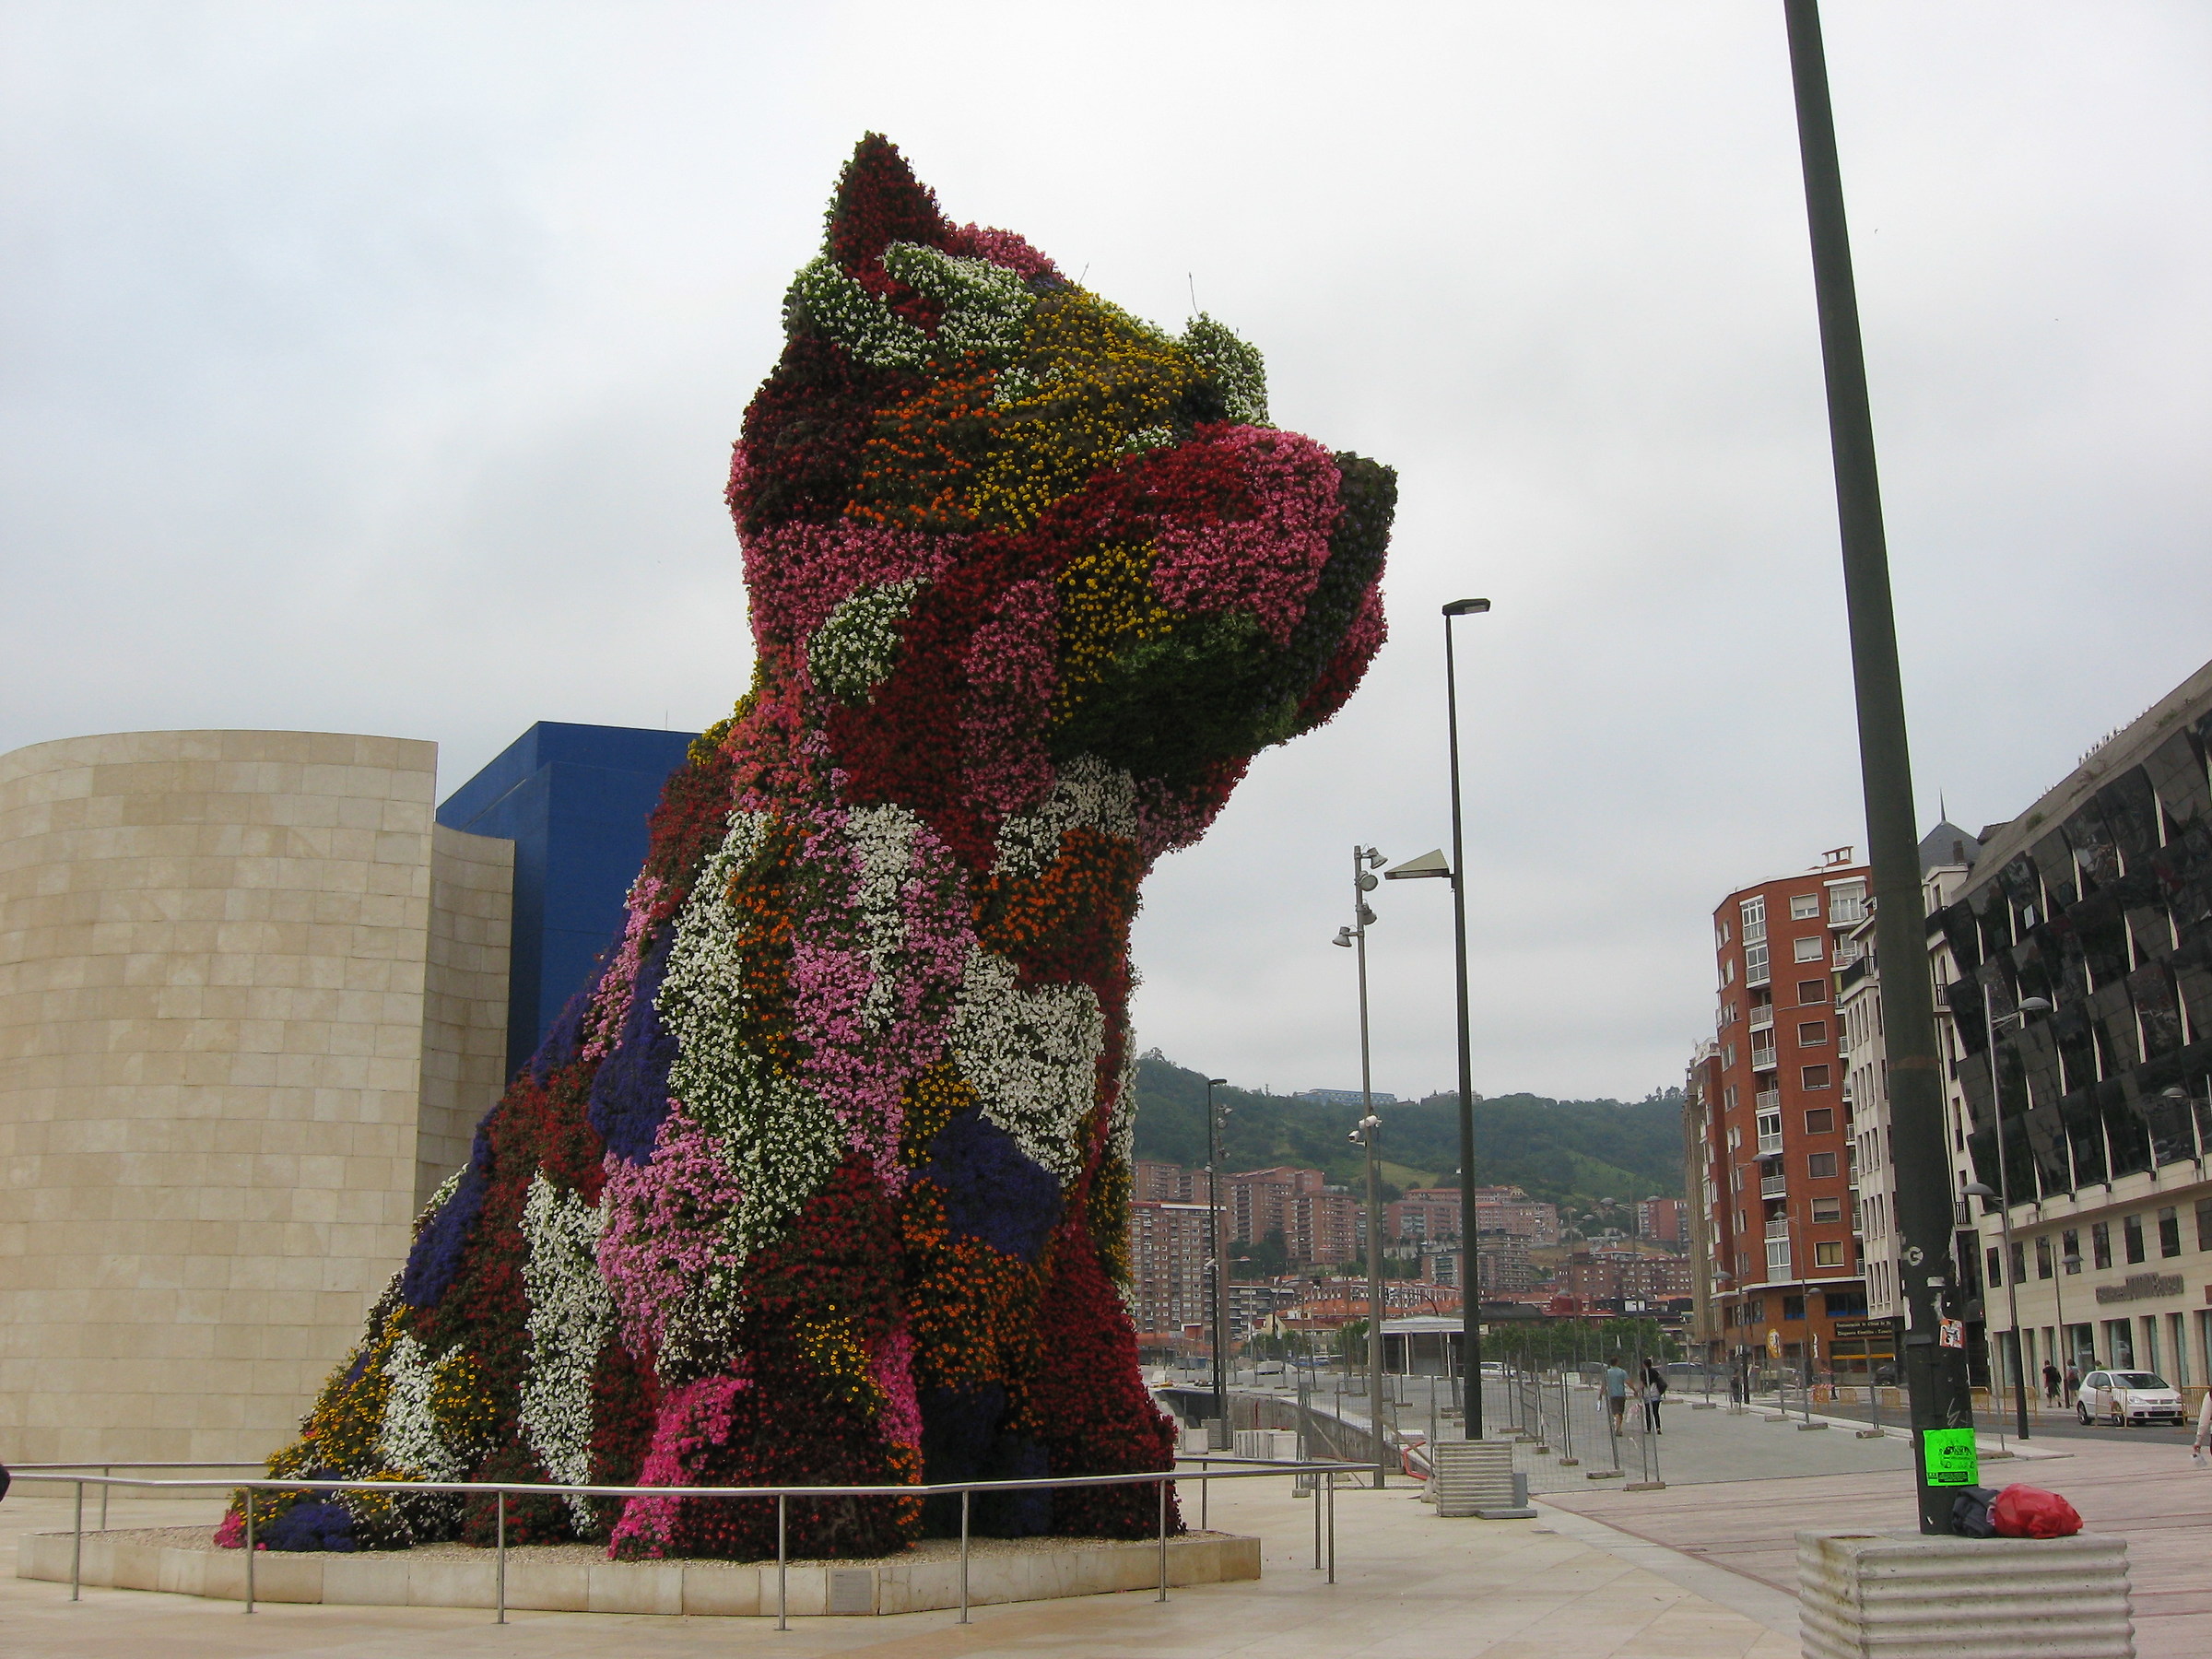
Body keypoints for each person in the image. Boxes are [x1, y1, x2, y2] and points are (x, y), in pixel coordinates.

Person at [1641, 1359, 1667, 1433]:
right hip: (1656, 1394)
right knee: (1656, 1412)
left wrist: (1637, 1391)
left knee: (1648, 1412)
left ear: (1644, 1365)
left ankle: (1649, 1429)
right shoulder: (1655, 1372)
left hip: (1647, 1395)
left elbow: (1642, 1384)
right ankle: (1658, 1428)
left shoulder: (1643, 1373)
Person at [1603, 1359, 1630, 1431]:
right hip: (1621, 1394)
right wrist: (1635, 1390)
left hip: (1612, 1394)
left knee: (1616, 1412)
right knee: (1620, 1412)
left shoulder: (1607, 1372)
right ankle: (1619, 1427)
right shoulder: (1622, 1372)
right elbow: (1628, 1382)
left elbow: (1604, 1384)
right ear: (1617, 1363)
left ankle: (1618, 1428)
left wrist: (1600, 1394)